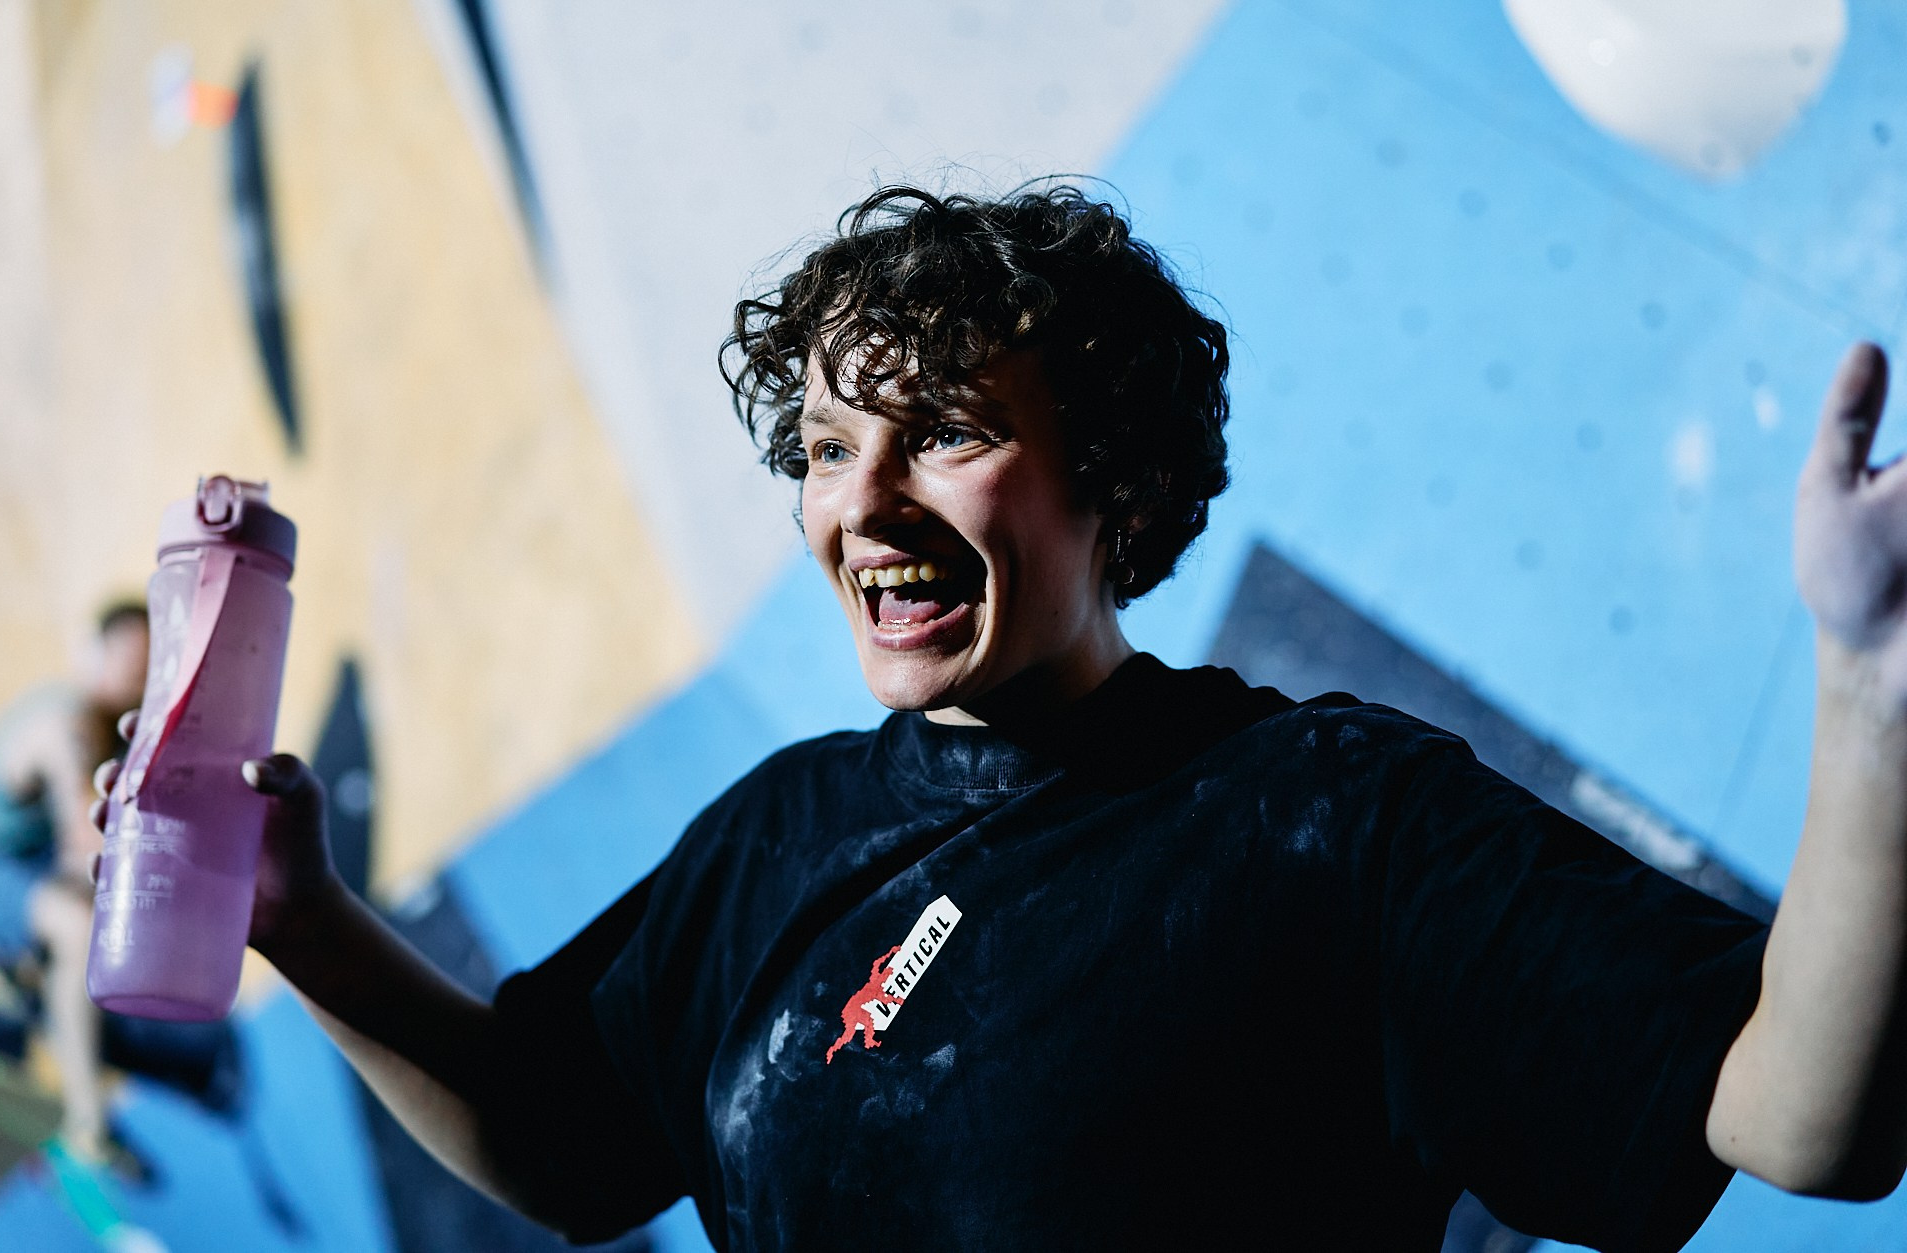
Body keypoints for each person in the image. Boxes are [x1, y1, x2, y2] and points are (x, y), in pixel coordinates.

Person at [101, 186, 1907, 1250]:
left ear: (1115, 481)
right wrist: (298, 920)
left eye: (945, 430)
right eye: (825, 446)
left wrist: (1871, 678)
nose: (860, 503)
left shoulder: (1325, 816)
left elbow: (1802, 1119)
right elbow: (562, 1138)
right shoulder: (781, 829)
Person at [0, 601, 149, 1173]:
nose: (141, 673)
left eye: (151, 662)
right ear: (94, 654)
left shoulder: (121, 735)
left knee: (80, 911)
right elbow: (83, 844)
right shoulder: (65, 727)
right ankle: (87, 1125)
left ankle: (10, 960)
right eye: (131, 659)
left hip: (26, 868)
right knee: (76, 926)